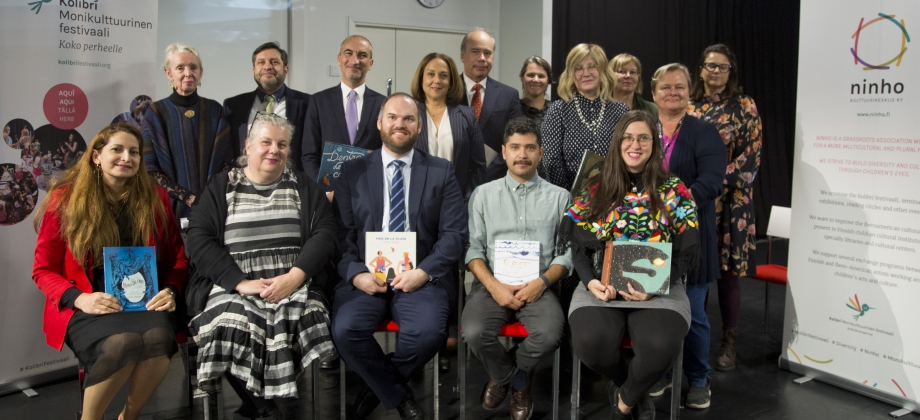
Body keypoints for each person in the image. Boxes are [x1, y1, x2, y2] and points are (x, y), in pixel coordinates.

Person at [184, 113, 337, 420]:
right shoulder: (220, 188)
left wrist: (295, 277)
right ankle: (262, 406)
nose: (274, 150)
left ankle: (262, 404)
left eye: (282, 144)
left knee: (305, 320)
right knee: (228, 324)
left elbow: (326, 232)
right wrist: (239, 282)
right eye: (266, 142)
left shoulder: (304, 188)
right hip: (235, 285)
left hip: (295, 282)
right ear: (248, 146)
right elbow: (198, 239)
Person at [32, 123, 188, 420]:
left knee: (159, 338)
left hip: (144, 301)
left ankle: (128, 417)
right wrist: (79, 299)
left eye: (134, 152)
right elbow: (42, 270)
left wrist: (171, 290)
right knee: (123, 344)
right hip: (89, 305)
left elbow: (178, 260)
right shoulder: (65, 199)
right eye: (117, 149)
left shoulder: (156, 198)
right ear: (96, 156)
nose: (126, 157)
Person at [331, 93, 467, 420]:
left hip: (420, 277)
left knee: (429, 334)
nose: (399, 124)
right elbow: (340, 235)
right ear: (380, 123)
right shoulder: (352, 172)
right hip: (367, 275)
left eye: (408, 119)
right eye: (392, 117)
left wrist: (424, 272)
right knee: (345, 330)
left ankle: (379, 385)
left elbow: (455, 235)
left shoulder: (441, 171)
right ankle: (397, 393)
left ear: (419, 126)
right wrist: (356, 274)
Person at [562, 110, 700, 420]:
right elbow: (578, 245)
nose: (634, 144)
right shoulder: (596, 185)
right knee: (590, 342)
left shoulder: (673, 189)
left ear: (654, 144)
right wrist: (589, 282)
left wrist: (656, 287)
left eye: (643, 138)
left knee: (660, 344)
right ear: (618, 142)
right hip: (602, 283)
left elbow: (686, 250)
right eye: (628, 137)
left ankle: (623, 403)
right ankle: (633, 389)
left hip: (659, 287)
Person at [461, 117, 572, 420]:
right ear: (504, 151)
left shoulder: (561, 198)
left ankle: (507, 377)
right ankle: (513, 378)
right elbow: (473, 250)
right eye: (515, 148)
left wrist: (542, 282)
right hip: (491, 282)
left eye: (529, 148)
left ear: (541, 152)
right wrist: (494, 286)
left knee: (549, 334)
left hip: (539, 285)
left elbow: (566, 255)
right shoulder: (483, 195)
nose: (522, 154)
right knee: (473, 332)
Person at [647, 63, 727, 409]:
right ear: (654, 93)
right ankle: (660, 373)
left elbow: (711, 181)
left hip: (690, 236)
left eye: (679, 87)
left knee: (692, 313)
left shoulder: (703, 132)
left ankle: (698, 379)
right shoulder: (644, 129)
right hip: (646, 236)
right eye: (665, 88)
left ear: (689, 92)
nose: (672, 93)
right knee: (653, 311)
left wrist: (672, 205)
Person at [687, 44, 763, 372]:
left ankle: (729, 340)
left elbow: (751, 157)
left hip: (731, 201)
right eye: (710, 65)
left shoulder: (744, 106)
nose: (715, 71)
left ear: (730, 72)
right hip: (697, 201)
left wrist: (713, 182)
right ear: (700, 69)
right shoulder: (688, 107)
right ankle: (693, 337)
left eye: (722, 67)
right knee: (698, 271)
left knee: (729, 274)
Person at [141, 42, 232, 220]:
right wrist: (188, 198)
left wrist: (207, 199)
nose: (188, 73)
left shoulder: (215, 110)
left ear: (201, 73)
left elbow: (226, 162)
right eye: (180, 68)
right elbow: (149, 169)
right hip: (169, 211)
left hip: (213, 209)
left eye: (193, 67)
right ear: (169, 73)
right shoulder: (156, 112)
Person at [542, 43, 629, 191]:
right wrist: (570, 196)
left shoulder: (621, 111)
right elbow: (550, 161)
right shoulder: (558, 110)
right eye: (578, 68)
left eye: (592, 66)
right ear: (571, 74)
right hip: (570, 198)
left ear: (602, 70)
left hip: (614, 195)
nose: (586, 73)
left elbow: (627, 156)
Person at [301, 35, 385, 184]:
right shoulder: (318, 101)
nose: (355, 60)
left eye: (362, 55)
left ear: (370, 63)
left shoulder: (383, 104)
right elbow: (309, 155)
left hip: (370, 194)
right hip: (328, 196)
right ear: (339, 59)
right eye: (349, 53)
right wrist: (323, 189)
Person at [224, 42, 312, 171]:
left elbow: (311, 149)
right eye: (261, 62)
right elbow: (228, 150)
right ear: (254, 70)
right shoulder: (233, 105)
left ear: (285, 69)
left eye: (274, 62)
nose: (267, 67)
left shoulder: (307, 103)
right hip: (244, 183)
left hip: (292, 183)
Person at [410, 52, 486, 199]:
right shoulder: (409, 114)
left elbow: (478, 168)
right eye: (430, 74)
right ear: (421, 78)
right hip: (416, 203)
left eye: (443, 75)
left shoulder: (467, 116)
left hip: (456, 203)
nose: (436, 80)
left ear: (451, 81)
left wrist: (467, 201)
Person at [459, 29, 523, 182]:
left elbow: (515, 141)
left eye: (487, 53)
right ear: (462, 55)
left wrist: (486, 175)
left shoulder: (509, 95)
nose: (482, 58)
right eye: (475, 51)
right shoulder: (446, 93)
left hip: (495, 181)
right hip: (452, 182)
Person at [610, 54, 658, 119]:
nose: (628, 76)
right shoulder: (599, 108)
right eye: (622, 71)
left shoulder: (653, 110)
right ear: (610, 75)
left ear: (639, 77)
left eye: (633, 72)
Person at [519, 56, 553, 124]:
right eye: (531, 75)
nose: (536, 80)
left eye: (541, 76)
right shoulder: (513, 109)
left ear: (548, 80)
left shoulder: (556, 111)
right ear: (522, 78)